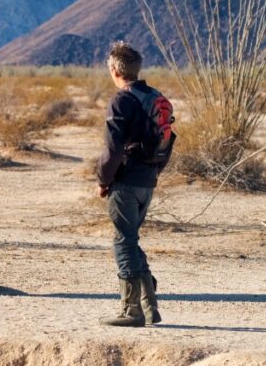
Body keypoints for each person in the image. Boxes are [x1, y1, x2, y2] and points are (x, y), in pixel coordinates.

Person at [96, 41, 173, 327]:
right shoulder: (156, 97)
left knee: (123, 242)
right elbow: (168, 140)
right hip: (148, 181)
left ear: (115, 69)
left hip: (126, 181)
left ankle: (132, 312)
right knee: (130, 238)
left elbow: (113, 150)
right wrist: (153, 174)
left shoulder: (122, 100)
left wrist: (104, 180)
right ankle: (150, 308)